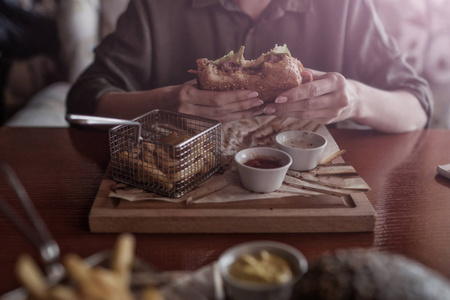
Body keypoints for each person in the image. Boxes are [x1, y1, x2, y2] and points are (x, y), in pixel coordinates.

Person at [66, 0, 433, 133]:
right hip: (180, 191)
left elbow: (416, 105)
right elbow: (83, 100)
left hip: (314, 193)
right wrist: (164, 104)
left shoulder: (344, 6)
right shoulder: (155, 7)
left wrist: (355, 99)